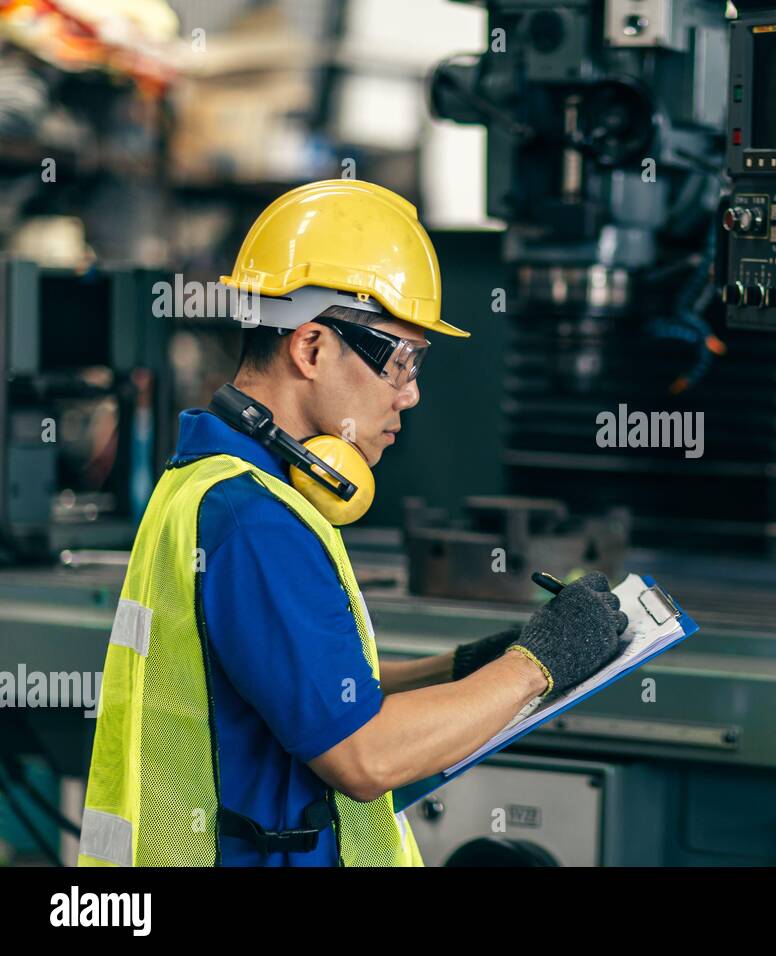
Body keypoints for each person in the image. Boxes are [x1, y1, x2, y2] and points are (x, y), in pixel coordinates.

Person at [77, 179, 627, 866]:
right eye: (402, 360)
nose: (413, 392)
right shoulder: (255, 519)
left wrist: (463, 669)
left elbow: (313, 685)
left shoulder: (212, 481)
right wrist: (534, 668)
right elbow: (363, 756)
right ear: (310, 348)